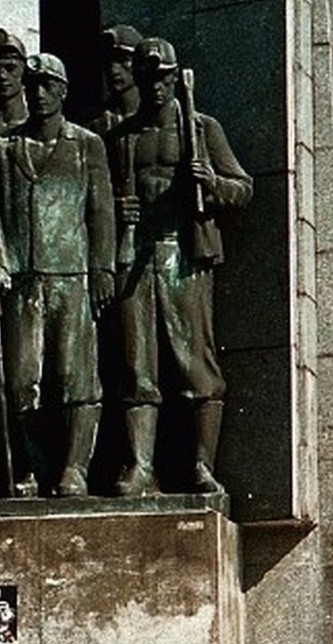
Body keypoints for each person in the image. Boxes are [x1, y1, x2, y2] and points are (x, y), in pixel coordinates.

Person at [105, 37, 253, 497]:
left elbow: (243, 188)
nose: (155, 87)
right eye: (148, 78)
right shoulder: (121, 138)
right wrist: (116, 209)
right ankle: (140, 466)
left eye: (163, 78)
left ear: (174, 79)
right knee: (136, 365)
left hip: (183, 256)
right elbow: (93, 205)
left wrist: (211, 186)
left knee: (195, 364)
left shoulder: (202, 128)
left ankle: (201, 466)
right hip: (134, 259)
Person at [0, 52, 115, 498]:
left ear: (62, 91)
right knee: (21, 382)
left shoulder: (87, 144)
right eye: (32, 85)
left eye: (46, 85)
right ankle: (33, 467)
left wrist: (103, 268)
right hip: (23, 281)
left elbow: (101, 210)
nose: (37, 93)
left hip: (73, 277)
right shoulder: (4, 147)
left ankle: (74, 469)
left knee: (76, 380)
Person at [90, 24, 142, 137]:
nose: (113, 69)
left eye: (122, 60)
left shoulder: (158, 117)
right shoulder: (96, 123)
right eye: (108, 60)